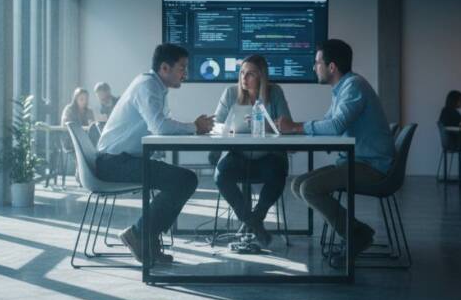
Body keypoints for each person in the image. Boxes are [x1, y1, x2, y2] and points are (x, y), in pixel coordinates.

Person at [277, 39, 395, 264]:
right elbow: (327, 126)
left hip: (371, 166)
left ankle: (355, 235)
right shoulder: (342, 89)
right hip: (354, 161)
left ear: (331, 67)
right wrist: (295, 133)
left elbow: (335, 126)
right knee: (297, 185)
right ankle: (357, 231)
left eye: (317, 62)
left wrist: (294, 127)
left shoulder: (354, 86)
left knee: (309, 188)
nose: (314, 67)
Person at [96, 44, 214, 266]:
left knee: (183, 180)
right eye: (182, 68)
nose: (185, 74)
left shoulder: (154, 86)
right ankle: (140, 235)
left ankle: (145, 238)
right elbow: (160, 127)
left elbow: (161, 125)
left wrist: (192, 127)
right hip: (113, 162)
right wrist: (194, 127)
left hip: (122, 159)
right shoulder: (147, 86)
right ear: (164, 68)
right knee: (184, 180)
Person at [213, 55, 292, 248]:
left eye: (250, 74)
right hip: (238, 155)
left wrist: (269, 125)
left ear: (262, 77)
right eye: (242, 73)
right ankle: (252, 221)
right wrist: (231, 128)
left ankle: (256, 218)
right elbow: (217, 125)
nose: (244, 78)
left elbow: (287, 124)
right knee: (221, 175)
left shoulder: (275, 93)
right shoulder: (230, 93)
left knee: (278, 169)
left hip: (268, 157)